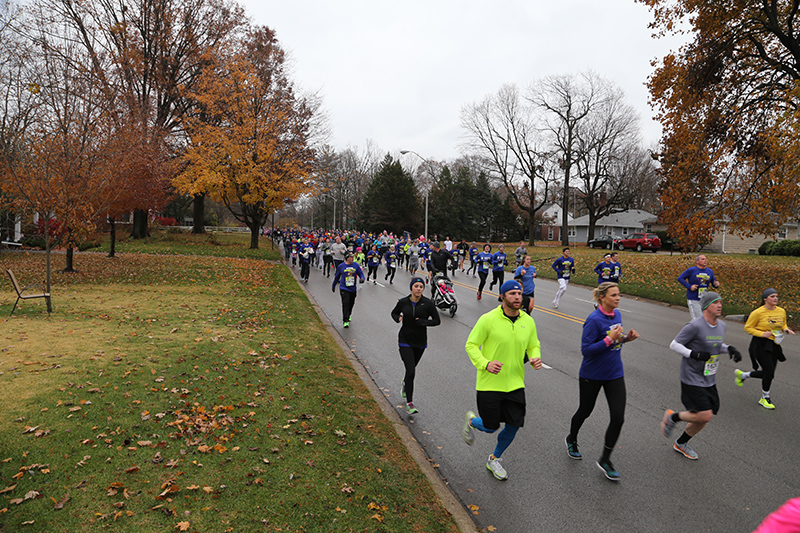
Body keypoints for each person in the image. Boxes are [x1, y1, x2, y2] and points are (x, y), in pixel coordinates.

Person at [462, 280, 543, 481]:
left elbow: (533, 345)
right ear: (502, 296)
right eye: (512, 293)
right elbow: (471, 345)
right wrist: (485, 363)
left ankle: (494, 459)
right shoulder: (488, 319)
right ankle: (472, 421)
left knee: (514, 424)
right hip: (489, 384)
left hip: (515, 383)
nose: (517, 297)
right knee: (490, 426)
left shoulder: (528, 321)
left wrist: (534, 357)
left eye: (519, 293)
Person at [565, 282, 639, 481]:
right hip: (592, 375)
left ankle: (605, 459)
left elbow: (615, 339)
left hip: (614, 374)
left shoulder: (617, 315)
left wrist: (626, 339)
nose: (618, 298)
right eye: (613, 295)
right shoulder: (594, 319)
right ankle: (571, 439)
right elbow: (586, 350)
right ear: (602, 298)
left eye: (618, 295)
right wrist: (609, 340)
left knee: (618, 417)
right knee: (585, 410)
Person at [660, 292, 742, 460]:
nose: (720, 305)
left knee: (703, 418)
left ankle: (681, 443)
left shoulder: (721, 326)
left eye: (721, 302)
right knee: (705, 414)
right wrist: (693, 354)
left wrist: (729, 349)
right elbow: (674, 344)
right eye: (715, 303)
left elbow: (715, 345)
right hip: (691, 377)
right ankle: (672, 417)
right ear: (706, 306)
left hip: (708, 378)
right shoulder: (694, 326)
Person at [735, 288, 795, 409]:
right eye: (772, 296)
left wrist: (785, 329)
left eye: (777, 296)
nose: (775, 298)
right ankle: (765, 397)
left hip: (774, 344)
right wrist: (762, 334)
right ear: (765, 299)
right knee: (769, 371)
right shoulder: (757, 313)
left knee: (769, 373)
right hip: (760, 344)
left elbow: (782, 323)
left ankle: (743, 375)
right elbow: (748, 328)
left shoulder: (781, 311)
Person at [391, 277, 441, 415]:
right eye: (416, 286)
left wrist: (424, 322)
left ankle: (405, 383)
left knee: (410, 372)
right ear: (411, 288)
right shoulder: (403, 302)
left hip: (420, 342)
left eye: (421, 286)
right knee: (411, 371)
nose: (419, 288)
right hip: (405, 340)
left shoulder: (428, 304)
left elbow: (437, 321)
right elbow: (394, 313)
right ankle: (410, 403)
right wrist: (398, 318)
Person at [677, 254, 721, 320]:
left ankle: (693, 329)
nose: (705, 261)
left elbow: (713, 282)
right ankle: (691, 329)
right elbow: (680, 278)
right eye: (702, 259)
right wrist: (690, 286)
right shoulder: (691, 270)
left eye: (705, 259)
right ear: (697, 261)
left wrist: (716, 284)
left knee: (705, 319)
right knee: (698, 320)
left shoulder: (709, 271)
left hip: (704, 299)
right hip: (693, 298)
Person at [331, 252, 365, 328]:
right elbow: (337, 276)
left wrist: (362, 278)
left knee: (351, 303)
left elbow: (360, 273)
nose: (352, 258)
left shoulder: (355, 265)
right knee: (345, 303)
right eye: (350, 257)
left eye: (353, 257)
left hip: (352, 288)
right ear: (347, 258)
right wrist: (333, 285)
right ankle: (345, 320)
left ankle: (348, 314)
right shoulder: (341, 266)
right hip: (344, 288)